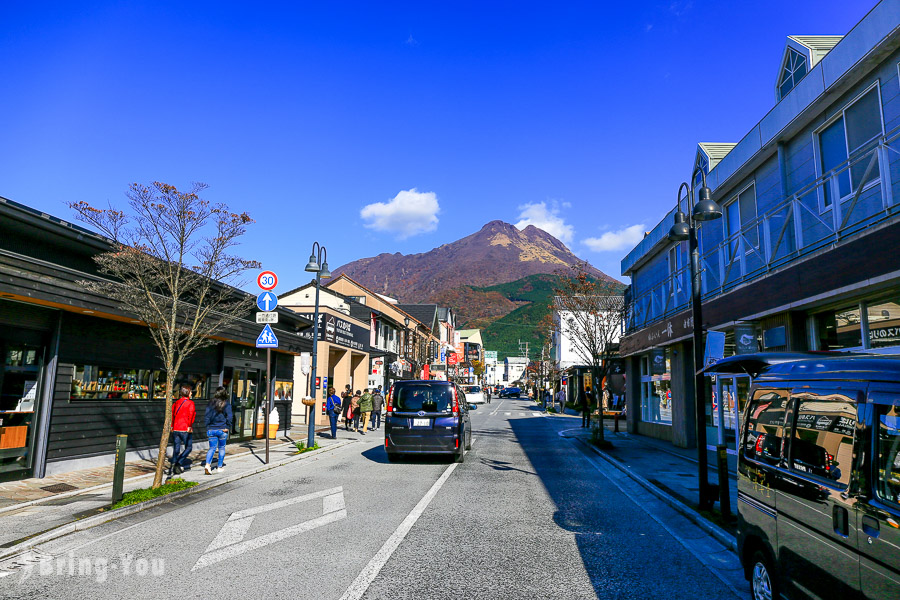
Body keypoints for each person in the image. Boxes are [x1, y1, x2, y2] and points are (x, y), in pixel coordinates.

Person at [205, 386, 233, 475]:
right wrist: (228, 426)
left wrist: (208, 426)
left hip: (212, 429)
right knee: (221, 448)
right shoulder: (226, 404)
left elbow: (207, 416)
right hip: (222, 429)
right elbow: (230, 416)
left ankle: (207, 465)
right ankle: (219, 467)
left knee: (212, 448)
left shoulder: (210, 403)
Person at [169, 384, 196, 476]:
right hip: (185, 428)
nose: (192, 393)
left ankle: (173, 464)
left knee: (176, 448)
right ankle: (178, 462)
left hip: (176, 428)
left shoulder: (176, 403)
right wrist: (189, 426)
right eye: (191, 391)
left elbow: (172, 415)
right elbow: (191, 415)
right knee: (188, 447)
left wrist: (172, 426)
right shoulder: (190, 403)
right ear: (187, 392)